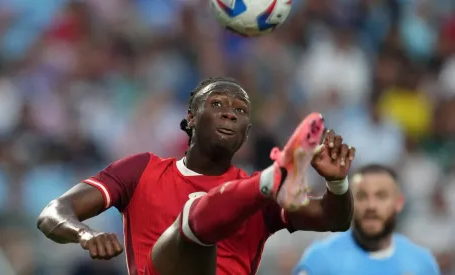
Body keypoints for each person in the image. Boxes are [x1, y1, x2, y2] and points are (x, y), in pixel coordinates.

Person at [37, 77, 356, 275]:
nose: (230, 112)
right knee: (191, 224)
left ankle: (269, 179)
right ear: (191, 118)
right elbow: (53, 213)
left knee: (198, 219)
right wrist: (84, 234)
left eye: (241, 111)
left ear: (246, 134)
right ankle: (269, 178)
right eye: (217, 103)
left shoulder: (264, 200)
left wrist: (337, 183)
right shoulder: (142, 170)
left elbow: (335, 219)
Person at [293, 164, 441, 275]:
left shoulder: (421, 264)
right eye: (362, 196)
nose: (371, 206)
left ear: (399, 203)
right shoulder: (319, 261)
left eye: (381, 196)